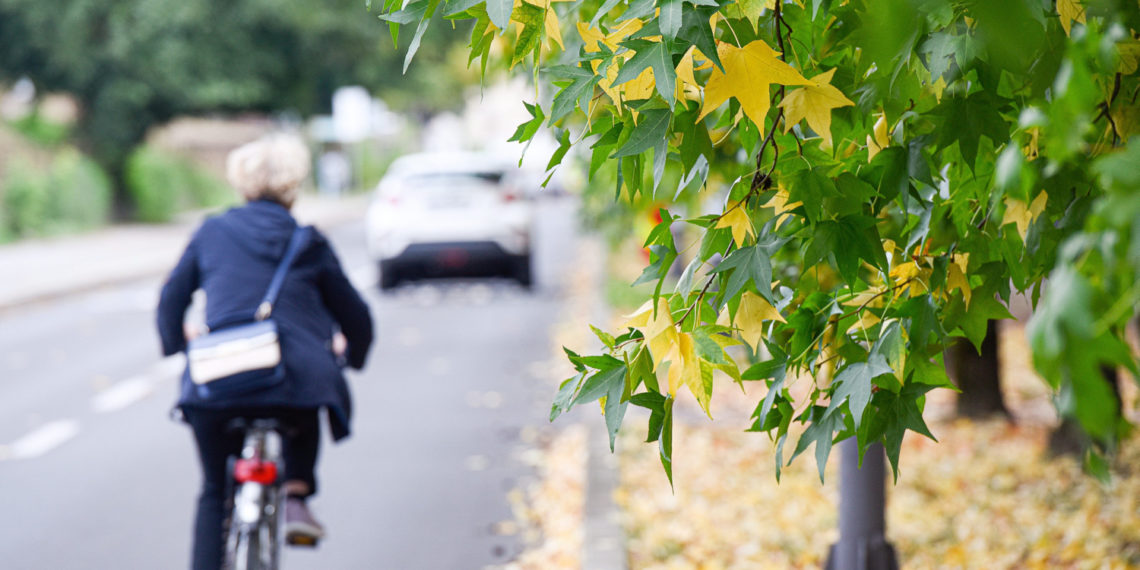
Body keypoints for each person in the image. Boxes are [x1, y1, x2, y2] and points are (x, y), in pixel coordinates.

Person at [156, 133, 373, 570]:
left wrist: (180, 345)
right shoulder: (307, 240)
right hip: (293, 378)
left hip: (218, 377)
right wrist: (353, 355)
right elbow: (354, 314)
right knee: (305, 395)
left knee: (216, 491)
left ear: (241, 183)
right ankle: (295, 492)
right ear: (293, 185)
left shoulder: (211, 231)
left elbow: (170, 302)